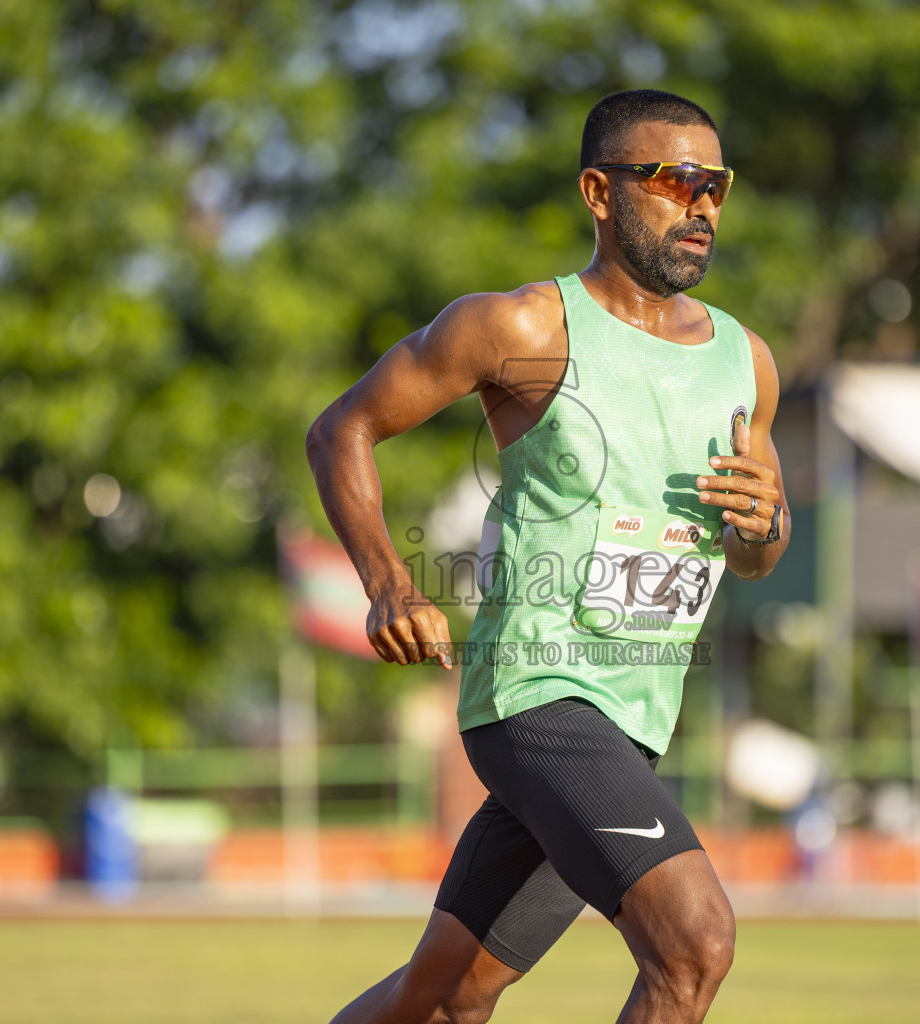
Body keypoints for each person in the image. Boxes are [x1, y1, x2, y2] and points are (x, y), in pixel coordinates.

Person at [307, 88, 789, 1024]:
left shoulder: (747, 361)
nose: (701, 206)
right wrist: (389, 583)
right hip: (539, 693)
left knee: (445, 999)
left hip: (636, 717)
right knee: (694, 944)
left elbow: (754, 556)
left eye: (716, 186)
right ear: (599, 193)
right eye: (674, 181)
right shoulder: (524, 328)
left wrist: (763, 526)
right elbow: (343, 429)